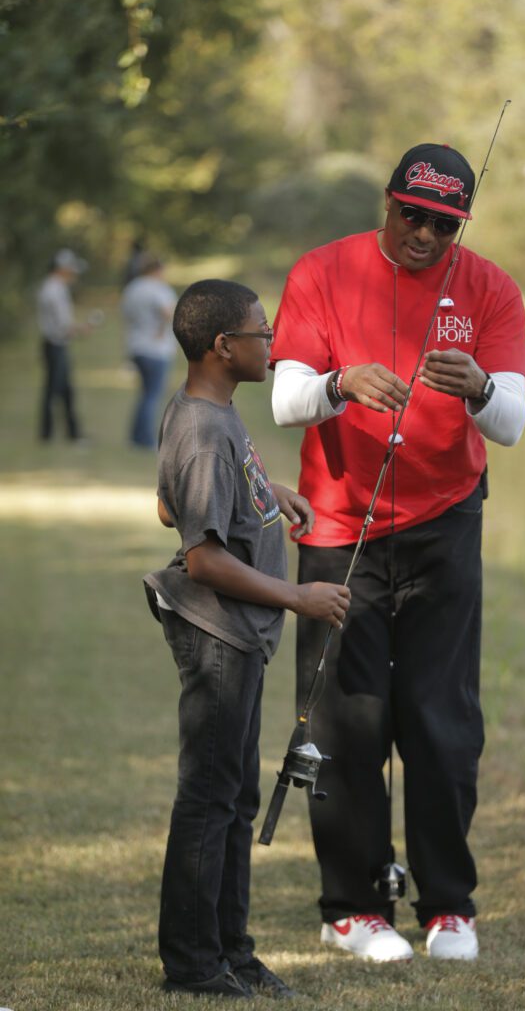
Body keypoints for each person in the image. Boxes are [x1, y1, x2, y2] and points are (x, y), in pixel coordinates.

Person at [269, 142, 525, 962]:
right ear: (387, 203)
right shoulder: (320, 271)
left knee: (441, 720)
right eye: (411, 215)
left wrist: (482, 389)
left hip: (445, 523)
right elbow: (284, 402)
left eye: (443, 223)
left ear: (460, 223)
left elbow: (512, 425)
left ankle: (448, 905)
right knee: (350, 723)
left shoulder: (489, 287)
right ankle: (351, 907)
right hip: (339, 529)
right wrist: (339, 383)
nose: (424, 234)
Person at [143, 279, 351, 998]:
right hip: (218, 635)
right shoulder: (203, 428)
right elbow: (201, 555)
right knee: (209, 798)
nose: (273, 343)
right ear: (222, 347)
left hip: (238, 636)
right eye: (262, 333)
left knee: (235, 799)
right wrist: (297, 596)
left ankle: (231, 948)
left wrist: (270, 494)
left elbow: (171, 505)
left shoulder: (212, 413)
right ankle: (194, 965)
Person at [121, 253, 177, 448]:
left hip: (137, 345)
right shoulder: (158, 289)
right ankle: (145, 439)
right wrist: (162, 329)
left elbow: (126, 315)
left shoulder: (132, 288)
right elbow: (167, 313)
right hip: (156, 348)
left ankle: (135, 435)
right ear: (158, 270)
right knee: (152, 395)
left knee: (145, 393)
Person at [36, 247, 89, 441]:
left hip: (56, 344)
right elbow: (63, 325)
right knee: (54, 392)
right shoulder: (54, 289)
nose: (74, 273)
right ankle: (48, 434)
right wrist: (82, 329)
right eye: (71, 269)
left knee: (65, 391)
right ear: (62, 268)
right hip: (55, 345)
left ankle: (71, 434)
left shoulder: (53, 286)